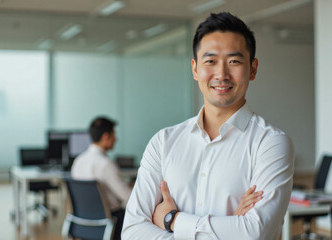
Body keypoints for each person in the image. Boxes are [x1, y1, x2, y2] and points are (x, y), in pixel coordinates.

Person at [122, 12, 294, 240]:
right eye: (210, 61)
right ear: (195, 69)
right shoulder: (164, 142)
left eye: (234, 61)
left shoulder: (271, 143)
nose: (221, 74)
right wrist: (231, 226)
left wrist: (171, 220)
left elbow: (254, 233)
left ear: (252, 69)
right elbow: (132, 231)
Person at [71, 116, 131, 240]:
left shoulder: (78, 161)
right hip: (110, 224)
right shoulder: (106, 164)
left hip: (82, 224)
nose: (116, 139)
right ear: (105, 136)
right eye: (114, 135)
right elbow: (129, 197)